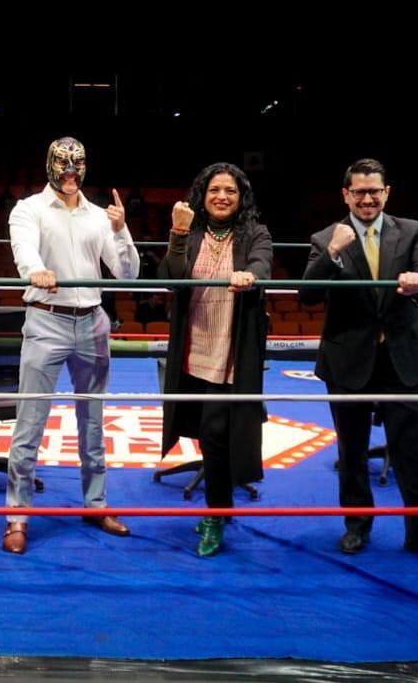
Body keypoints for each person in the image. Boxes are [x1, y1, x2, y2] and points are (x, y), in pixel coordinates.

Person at [301, 158, 418, 568]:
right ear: (346, 195)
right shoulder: (325, 237)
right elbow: (307, 294)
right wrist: (333, 252)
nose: (367, 199)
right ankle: (357, 525)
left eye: (374, 191)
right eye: (359, 192)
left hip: (402, 357)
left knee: (415, 450)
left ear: (386, 192)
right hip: (349, 358)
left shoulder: (410, 230)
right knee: (352, 449)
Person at [1, 136, 139, 554]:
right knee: (29, 423)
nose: (69, 172)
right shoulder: (28, 209)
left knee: (93, 422)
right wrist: (36, 270)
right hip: (46, 318)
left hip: (92, 322)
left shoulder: (99, 215)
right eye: (62, 164)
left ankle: (96, 504)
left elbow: (128, 274)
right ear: (50, 165)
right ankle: (17, 516)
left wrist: (121, 229)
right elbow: (24, 249)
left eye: (76, 165)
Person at [158, 162, 272, 557]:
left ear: (241, 198)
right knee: (208, 433)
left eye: (230, 191)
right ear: (202, 196)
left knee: (215, 432)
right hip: (192, 349)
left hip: (231, 351)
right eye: (214, 190)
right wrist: (177, 233)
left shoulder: (255, 233)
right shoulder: (189, 232)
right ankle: (219, 506)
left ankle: (216, 513)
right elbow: (170, 278)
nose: (222, 196)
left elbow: (262, 263)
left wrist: (250, 275)